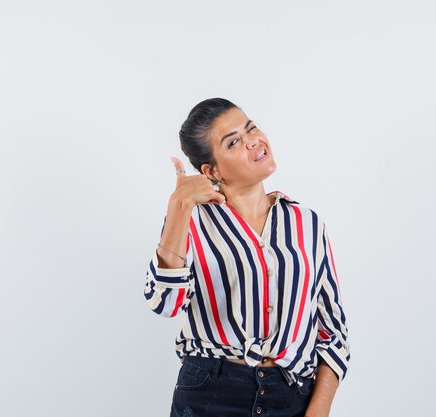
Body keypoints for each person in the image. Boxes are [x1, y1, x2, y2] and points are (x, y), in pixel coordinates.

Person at [144, 98, 350, 417]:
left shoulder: (306, 223)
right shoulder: (194, 221)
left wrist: (318, 409)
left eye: (250, 127)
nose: (253, 139)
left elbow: (333, 332)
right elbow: (165, 302)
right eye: (234, 141)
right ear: (211, 170)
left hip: (291, 395)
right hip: (210, 393)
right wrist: (179, 209)